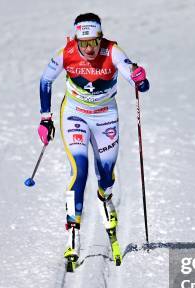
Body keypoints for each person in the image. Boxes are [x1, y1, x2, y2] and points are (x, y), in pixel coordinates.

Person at [38, 12, 150, 271]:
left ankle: (105, 197)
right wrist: (46, 119)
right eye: (83, 43)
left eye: (93, 43)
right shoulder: (65, 53)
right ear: (76, 40)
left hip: (105, 118)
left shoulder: (112, 51)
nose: (89, 49)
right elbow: (45, 81)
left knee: (106, 175)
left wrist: (140, 79)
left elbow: (135, 77)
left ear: (101, 39)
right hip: (74, 115)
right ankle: (72, 231)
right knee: (79, 170)